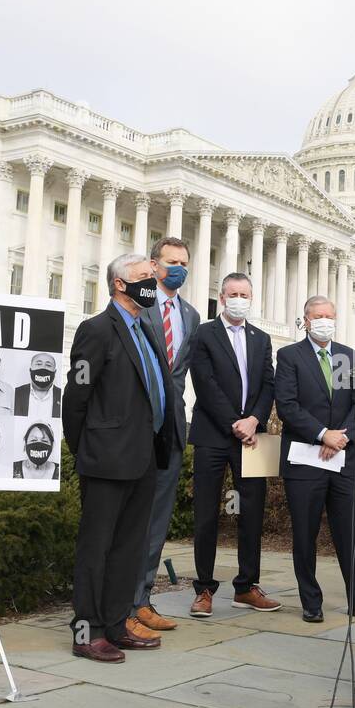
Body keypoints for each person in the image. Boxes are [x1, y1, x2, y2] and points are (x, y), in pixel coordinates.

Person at [63, 252, 175, 662]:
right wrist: (86, 449)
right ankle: (86, 632)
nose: (153, 281)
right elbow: (76, 396)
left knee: (129, 547)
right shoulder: (96, 330)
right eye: (146, 276)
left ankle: (114, 624)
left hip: (144, 457)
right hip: (106, 459)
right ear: (119, 285)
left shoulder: (145, 330)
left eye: (154, 275)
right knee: (96, 548)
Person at [275, 296, 355, 623]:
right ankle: (311, 601)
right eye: (318, 316)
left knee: (351, 533)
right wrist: (323, 434)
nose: (324, 321)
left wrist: (343, 435)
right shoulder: (289, 356)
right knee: (305, 535)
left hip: (343, 461)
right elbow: (287, 406)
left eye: (329, 316)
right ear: (306, 320)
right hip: (305, 460)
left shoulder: (350, 357)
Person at [187, 272, 279, 618]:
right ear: (222, 298)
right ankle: (204, 589)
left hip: (255, 437)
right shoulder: (204, 333)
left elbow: (268, 383)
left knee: (252, 512)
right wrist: (234, 422)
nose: (239, 299)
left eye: (245, 294)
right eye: (233, 293)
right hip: (212, 433)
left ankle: (247, 587)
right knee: (208, 513)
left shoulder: (261, 338)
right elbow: (205, 382)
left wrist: (254, 419)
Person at [133, 236, 200, 633]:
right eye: (171, 261)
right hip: (136, 426)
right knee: (130, 520)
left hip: (172, 428)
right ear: (154, 265)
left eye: (184, 263)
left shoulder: (190, 315)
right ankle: (120, 603)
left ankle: (142, 599)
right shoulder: (137, 306)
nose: (179, 268)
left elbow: (180, 376)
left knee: (157, 521)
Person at [15, 352, 62, 418]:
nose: (43, 368)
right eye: (38, 364)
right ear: (30, 370)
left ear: (55, 372)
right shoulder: (16, 393)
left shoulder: (62, 396)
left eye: (48, 365)